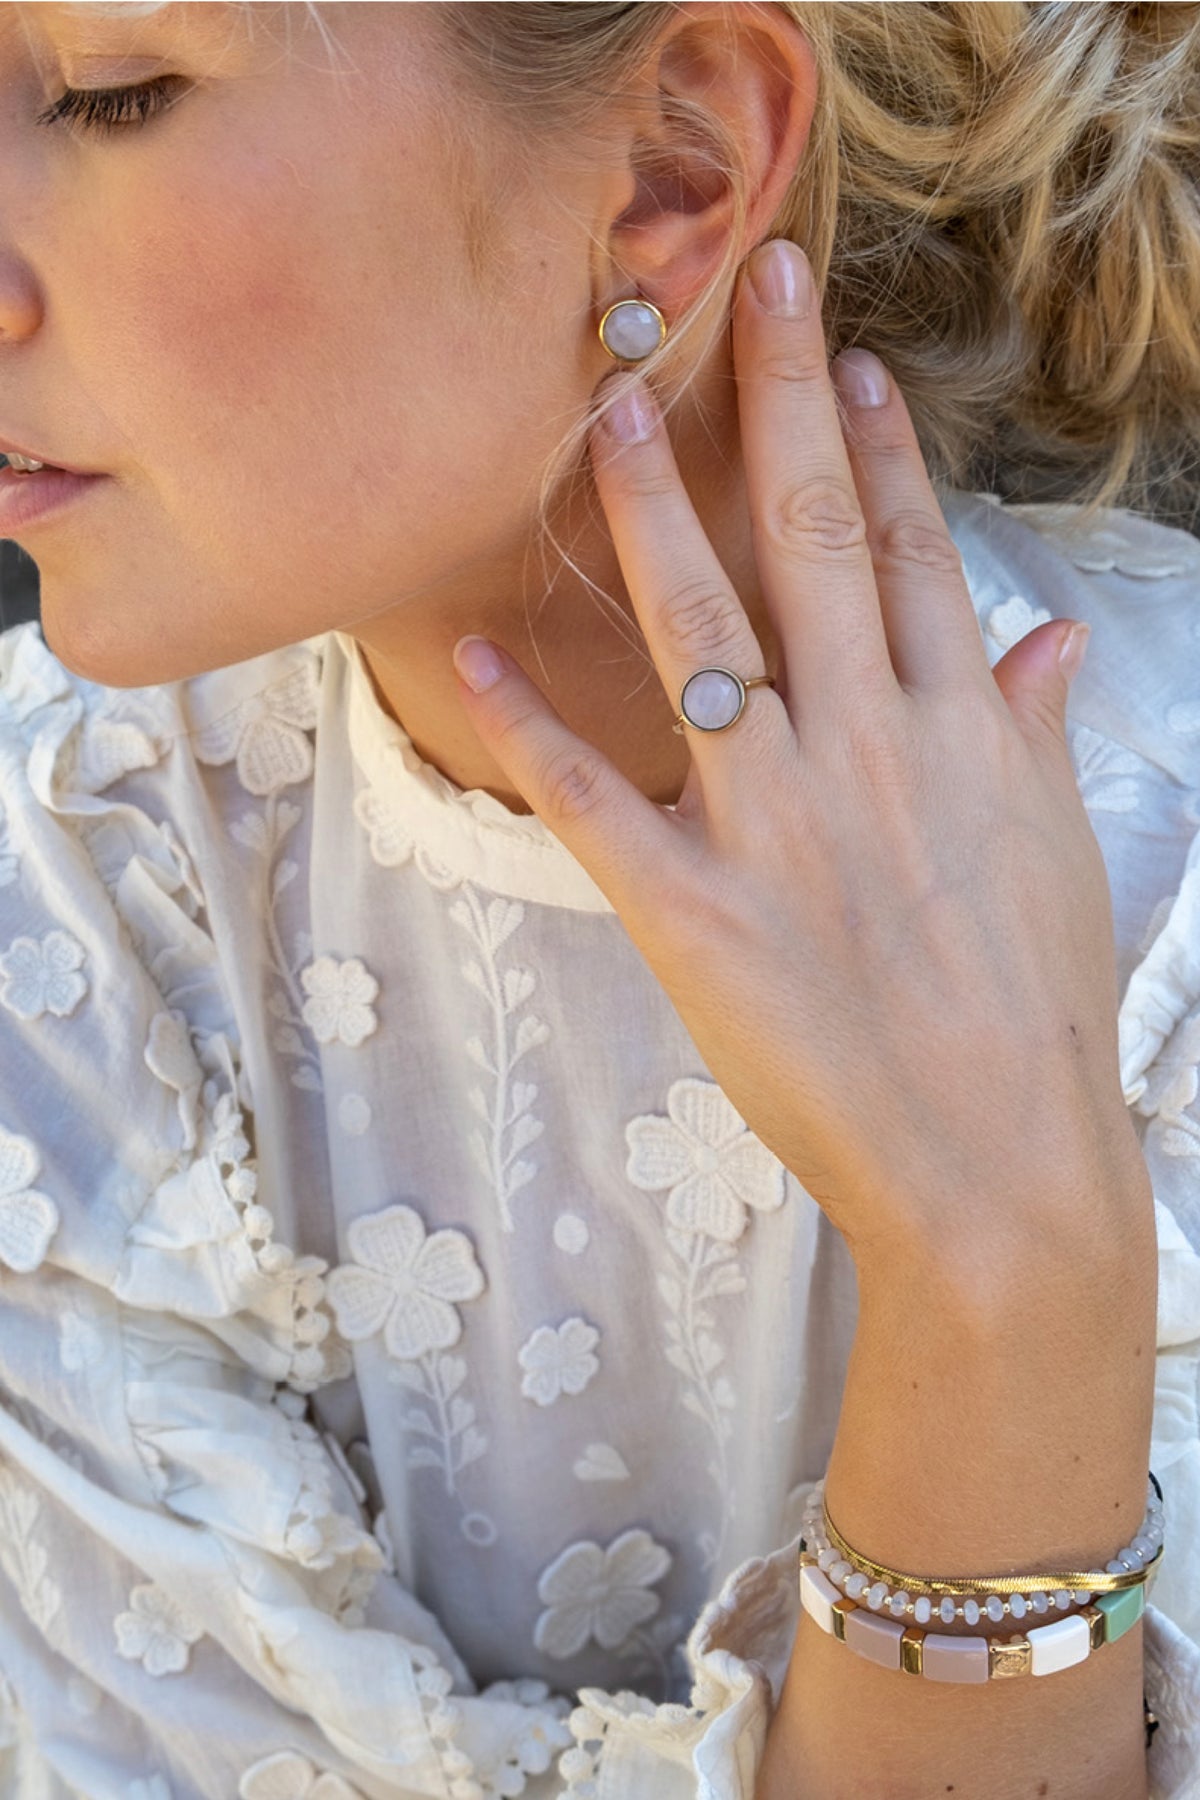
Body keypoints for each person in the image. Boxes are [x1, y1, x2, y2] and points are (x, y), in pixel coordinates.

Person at [0, 2, 1197, 1795]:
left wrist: (1011, 1277)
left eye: (109, 90)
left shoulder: (1165, 859)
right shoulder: (67, 896)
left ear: (674, 168)